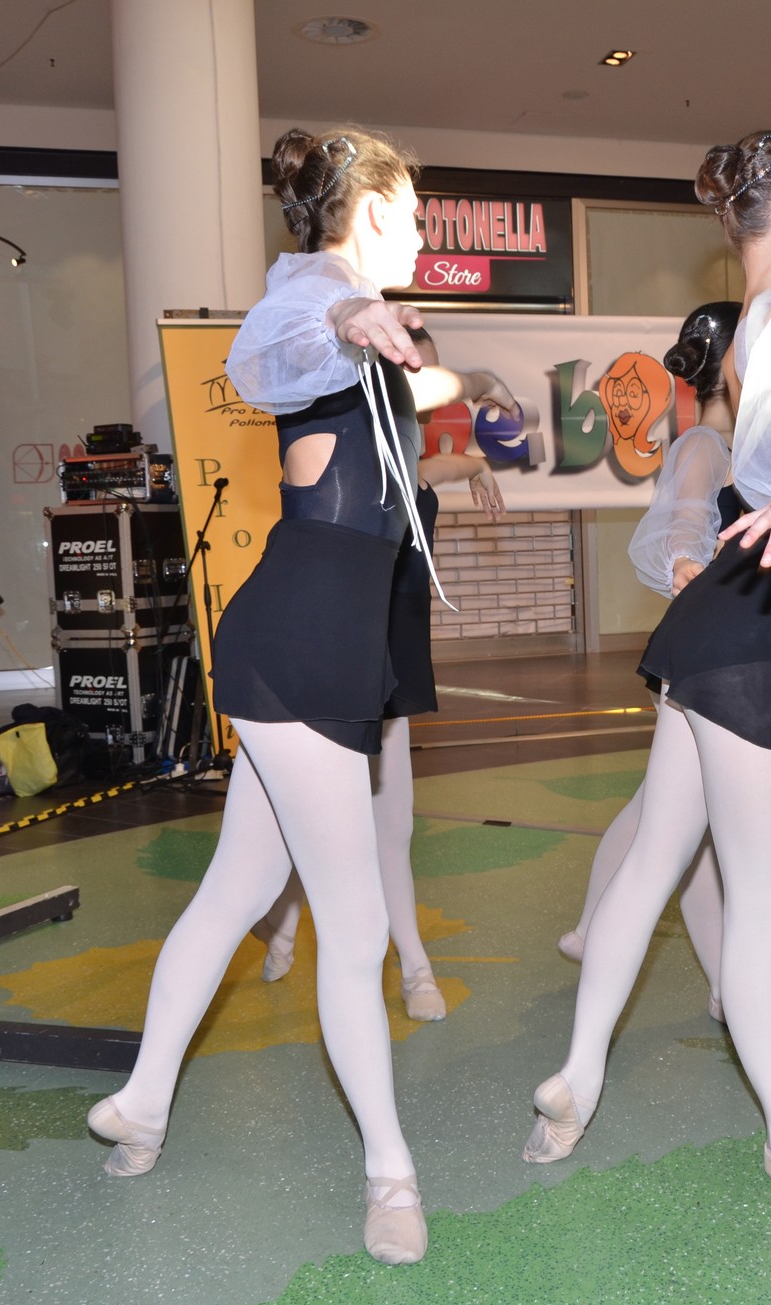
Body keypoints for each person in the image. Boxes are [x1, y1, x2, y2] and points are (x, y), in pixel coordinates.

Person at [88, 125, 517, 1267]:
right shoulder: (312, 297)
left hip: (316, 644)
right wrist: (342, 318)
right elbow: (263, 358)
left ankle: (140, 1103)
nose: (420, 235)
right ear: (370, 212)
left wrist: (460, 402)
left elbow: (384, 425)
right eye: (412, 216)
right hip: (302, 644)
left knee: (235, 891)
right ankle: (390, 1172)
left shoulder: (362, 324)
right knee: (354, 920)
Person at [524, 130, 771, 1229]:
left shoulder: (760, 318)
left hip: (714, 629)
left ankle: (577, 1078)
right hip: (759, 633)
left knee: (651, 869)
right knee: (762, 905)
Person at [254, 326, 507, 1023]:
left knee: (386, 823)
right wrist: (483, 387)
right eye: (411, 370)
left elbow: (431, 468)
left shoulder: (406, 454)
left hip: (389, 656)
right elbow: (418, 455)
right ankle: (321, 933)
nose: (421, 386)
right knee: (299, 825)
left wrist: (476, 465)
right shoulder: (355, 448)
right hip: (330, 652)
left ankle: (346, 943)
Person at [556, 303, 742, 1022]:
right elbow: (684, 514)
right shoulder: (703, 442)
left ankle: (598, 932)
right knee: (678, 829)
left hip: (717, 647)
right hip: (702, 649)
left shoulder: (743, 444)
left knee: (669, 819)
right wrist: (688, 557)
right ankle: (713, 983)